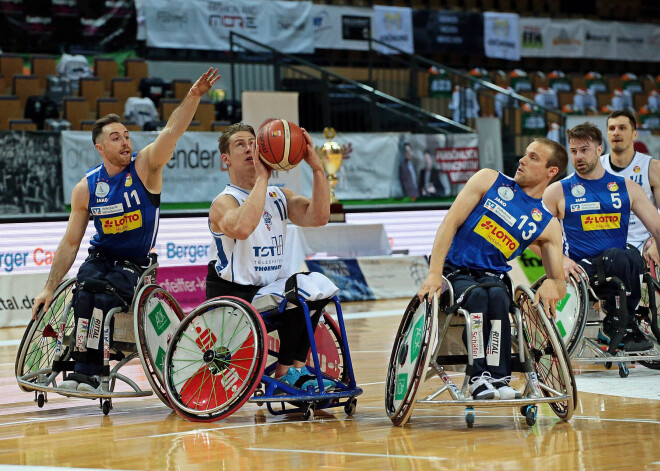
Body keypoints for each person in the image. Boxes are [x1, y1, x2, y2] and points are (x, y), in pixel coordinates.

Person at [31, 68, 221, 391]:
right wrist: (49, 287)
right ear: (99, 148)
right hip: (100, 258)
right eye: (115, 137)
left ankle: (92, 373)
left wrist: (193, 96)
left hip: (135, 264)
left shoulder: (146, 166)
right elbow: (70, 242)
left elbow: (172, 132)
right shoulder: (87, 187)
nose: (125, 141)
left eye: (127, 135)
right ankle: (83, 368)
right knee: (83, 291)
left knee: (103, 297)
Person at [418, 138, 567, 400]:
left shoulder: (547, 223)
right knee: (477, 296)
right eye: (525, 154)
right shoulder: (489, 180)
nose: (522, 160)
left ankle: (499, 379)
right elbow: (450, 222)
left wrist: (549, 283)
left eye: (533, 157)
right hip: (455, 272)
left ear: (551, 171)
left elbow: (559, 282)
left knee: (498, 296)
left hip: (493, 278)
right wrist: (433, 273)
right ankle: (477, 378)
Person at [206, 122, 334, 391]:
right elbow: (242, 227)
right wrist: (262, 178)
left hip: (267, 292)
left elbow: (319, 217)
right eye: (240, 144)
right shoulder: (224, 201)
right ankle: (284, 372)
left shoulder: (278, 196)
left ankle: (297, 369)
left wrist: (318, 168)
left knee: (318, 289)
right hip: (235, 297)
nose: (249, 148)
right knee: (296, 294)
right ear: (225, 159)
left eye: (253, 142)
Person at [543, 122, 660, 353]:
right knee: (620, 256)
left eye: (584, 149)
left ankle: (624, 321)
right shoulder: (558, 191)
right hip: (581, 270)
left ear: (599, 150)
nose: (578, 156)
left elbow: (656, 229)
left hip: (620, 265)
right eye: (573, 151)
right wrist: (561, 260)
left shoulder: (626, 187)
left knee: (630, 255)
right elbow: (534, 236)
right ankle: (619, 324)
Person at [600, 110, 660, 264]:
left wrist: (656, 242)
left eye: (622, 128)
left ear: (634, 134)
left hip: (644, 242)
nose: (616, 132)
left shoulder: (652, 167)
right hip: (606, 242)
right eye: (611, 129)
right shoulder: (597, 167)